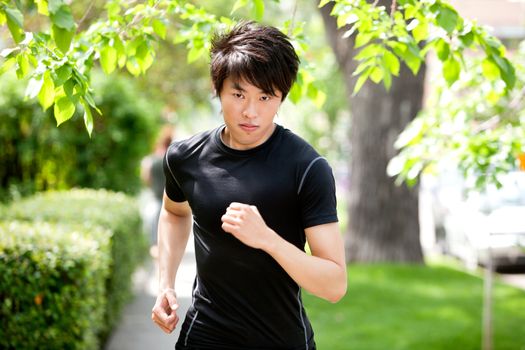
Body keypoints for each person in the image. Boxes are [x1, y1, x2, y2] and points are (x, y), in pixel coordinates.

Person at [151, 21, 347, 350]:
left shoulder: (306, 168)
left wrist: (267, 239)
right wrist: (165, 283)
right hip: (204, 336)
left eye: (265, 96)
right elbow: (174, 213)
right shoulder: (186, 158)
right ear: (219, 90)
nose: (250, 112)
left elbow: (334, 284)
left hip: (280, 340)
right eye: (238, 94)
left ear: (281, 98)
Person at [140, 125, 174, 252]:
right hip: (170, 199)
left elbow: (146, 178)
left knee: (153, 227)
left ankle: (155, 248)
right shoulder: (173, 158)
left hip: (155, 198)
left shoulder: (151, 159)